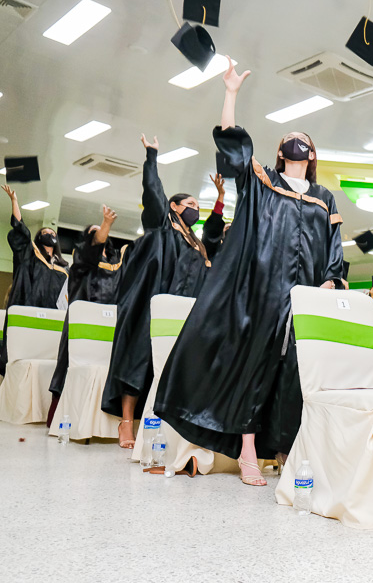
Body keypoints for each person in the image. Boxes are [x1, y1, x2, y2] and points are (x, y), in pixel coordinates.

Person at [154, 59, 344, 487]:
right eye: (289, 139)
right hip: (263, 291)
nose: (297, 142)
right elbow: (235, 148)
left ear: (312, 155)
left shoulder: (325, 198)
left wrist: (331, 282)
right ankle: (248, 453)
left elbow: (333, 253)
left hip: (306, 297)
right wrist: (231, 94)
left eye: (305, 140)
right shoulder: (262, 180)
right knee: (255, 366)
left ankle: (288, 450)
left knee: (295, 371)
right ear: (281, 152)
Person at [101, 135, 220, 449]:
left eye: (197, 205)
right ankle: (127, 421)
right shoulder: (161, 225)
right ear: (174, 206)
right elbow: (153, 191)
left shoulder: (196, 243)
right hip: (149, 307)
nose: (195, 209)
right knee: (138, 360)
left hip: (182, 314)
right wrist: (151, 156)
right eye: (190, 204)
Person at [47, 205, 125, 425]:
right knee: (69, 366)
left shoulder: (115, 263)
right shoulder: (81, 259)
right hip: (82, 324)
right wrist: (106, 224)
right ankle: (62, 418)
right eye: (94, 232)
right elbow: (92, 248)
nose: (99, 234)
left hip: (109, 324)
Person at [1, 184, 69, 375]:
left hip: (53, 322)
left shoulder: (64, 268)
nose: (50, 235)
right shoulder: (30, 256)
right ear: (39, 238)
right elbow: (21, 233)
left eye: (53, 234)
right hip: (29, 315)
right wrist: (15, 202)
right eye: (45, 234)